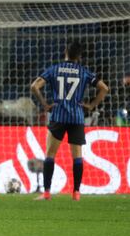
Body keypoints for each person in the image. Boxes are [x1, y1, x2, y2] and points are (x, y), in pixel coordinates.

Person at [31, 41, 109, 201]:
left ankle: (46, 193)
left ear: (65, 51)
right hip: (77, 117)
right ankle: (76, 193)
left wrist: (45, 105)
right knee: (77, 156)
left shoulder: (54, 69)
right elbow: (104, 88)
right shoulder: (84, 72)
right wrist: (91, 105)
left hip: (58, 116)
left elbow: (34, 86)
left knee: (50, 154)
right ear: (79, 56)